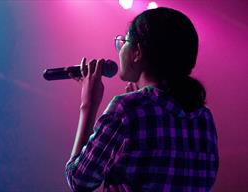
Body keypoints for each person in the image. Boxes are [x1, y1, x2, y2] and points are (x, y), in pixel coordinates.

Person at [65, 7, 219, 192]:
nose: (119, 50)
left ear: (137, 52)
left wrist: (88, 104)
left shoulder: (126, 109)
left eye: (123, 42)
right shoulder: (204, 118)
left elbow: (79, 181)